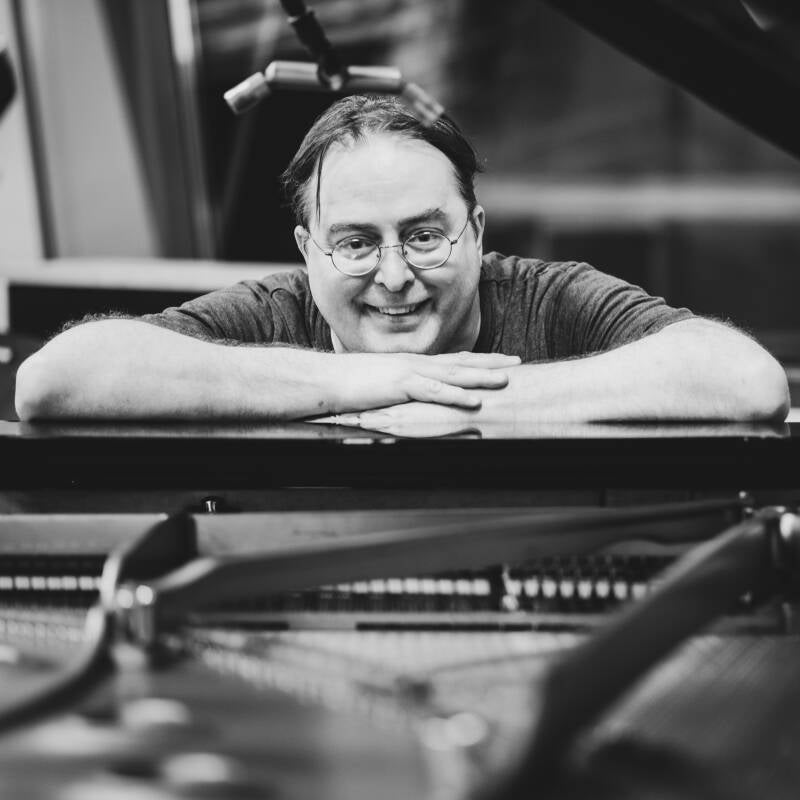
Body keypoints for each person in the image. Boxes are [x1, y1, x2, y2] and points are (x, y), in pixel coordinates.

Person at [14, 95, 789, 428]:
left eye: (423, 236)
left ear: (476, 232)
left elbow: (746, 381)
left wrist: (456, 402)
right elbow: (53, 382)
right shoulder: (276, 311)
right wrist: (357, 384)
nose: (393, 277)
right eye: (355, 243)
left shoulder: (550, 298)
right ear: (308, 253)